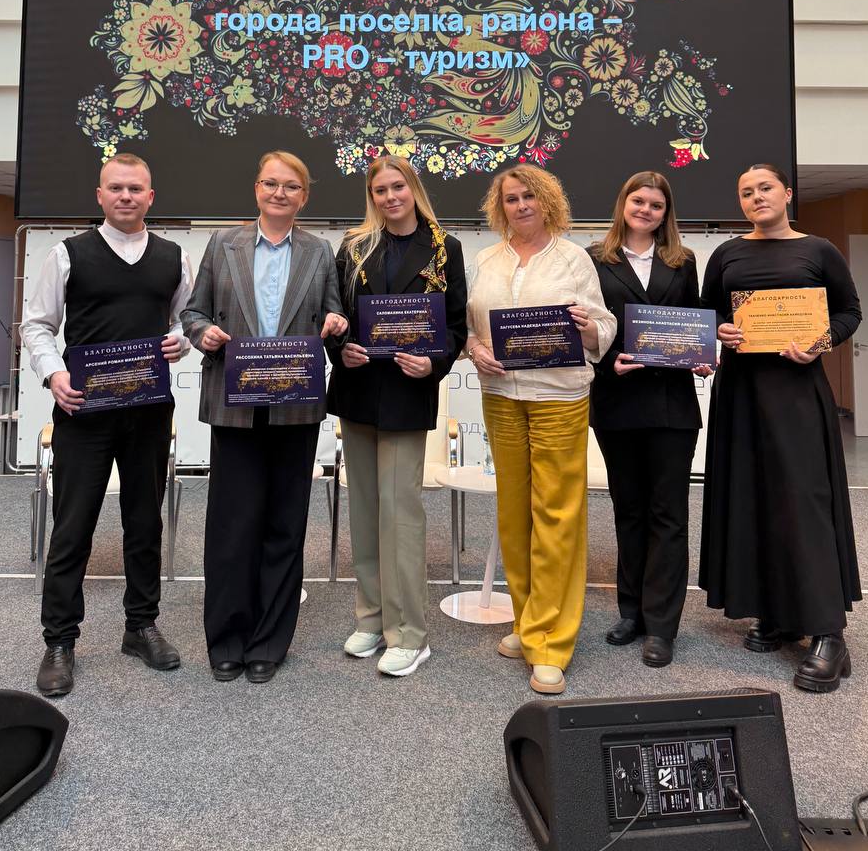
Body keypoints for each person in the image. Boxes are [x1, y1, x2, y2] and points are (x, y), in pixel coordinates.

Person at [21, 153, 194, 697]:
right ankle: (59, 640)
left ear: (150, 197)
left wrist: (181, 342)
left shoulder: (175, 257)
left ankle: (140, 627)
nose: (125, 196)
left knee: (145, 524)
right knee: (73, 528)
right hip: (83, 413)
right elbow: (37, 325)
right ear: (100, 195)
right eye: (116, 188)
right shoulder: (67, 254)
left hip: (149, 413)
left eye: (135, 189)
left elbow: (186, 323)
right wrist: (54, 375)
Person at [181, 151, 347, 684]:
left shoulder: (320, 252)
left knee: (284, 526)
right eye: (271, 183)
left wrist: (336, 322)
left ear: (304, 196)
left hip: (295, 406)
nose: (280, 193)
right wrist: (203, 333)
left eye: (291, 186)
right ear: (256, 189)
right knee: (232, 527)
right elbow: (193, 312)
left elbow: (334, 312)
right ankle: (227, 639)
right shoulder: (222, 244)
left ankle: (269, 643)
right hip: (234, 402)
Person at [700, 163, 862, 693]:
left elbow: (849, 312)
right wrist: (720, 330)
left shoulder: (819, 251)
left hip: (797, 394)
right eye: (746, 192)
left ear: (787, 193)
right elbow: (707, 315)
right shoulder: (727, 254)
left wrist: (819, 342)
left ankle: (828, 632)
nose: (756, 197)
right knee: (754, 498)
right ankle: (776, 613)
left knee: (804, 501)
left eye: (765, 188)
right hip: (741, 394)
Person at [465, 165, 615, 695]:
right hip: (501, 396)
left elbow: (604, 325)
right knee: (514, 513)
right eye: (511, 198)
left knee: (556, 514)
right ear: (499, 206)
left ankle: (550, 641)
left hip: (559, 397)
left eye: (529, 196)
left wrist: (588, 327)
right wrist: (475, 348)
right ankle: (528, 620)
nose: (521, 205)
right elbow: (471, 328)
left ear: (548, 201)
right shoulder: (486, 259)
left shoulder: (574, 259)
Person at [326, 156, 467, 678]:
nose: (390, 197)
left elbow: (455, 326)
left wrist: (434, 362)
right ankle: (372, 618)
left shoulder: (445, 248)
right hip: (359, 390)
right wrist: (340, 349)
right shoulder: (354, 247)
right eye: (380, 190)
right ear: (372, 196)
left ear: (414, 189)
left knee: (399, 512)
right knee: (364, 509)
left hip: (408, 393)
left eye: (397, 187)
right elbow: (336, 315)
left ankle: (409, 633)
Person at [588, 171, 712, 669]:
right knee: (629, 510)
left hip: (671, 405)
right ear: (623, 203)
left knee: (668, 514)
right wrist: (607, 361)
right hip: (617, 401)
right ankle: (632, 612)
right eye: (638, 201)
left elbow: (693, 318)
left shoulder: (683, 261)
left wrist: (701, 354)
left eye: (656, 205)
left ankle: (662, 625)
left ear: (666, 213)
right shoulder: (594, 259)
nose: (646, 210)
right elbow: (587, 327)